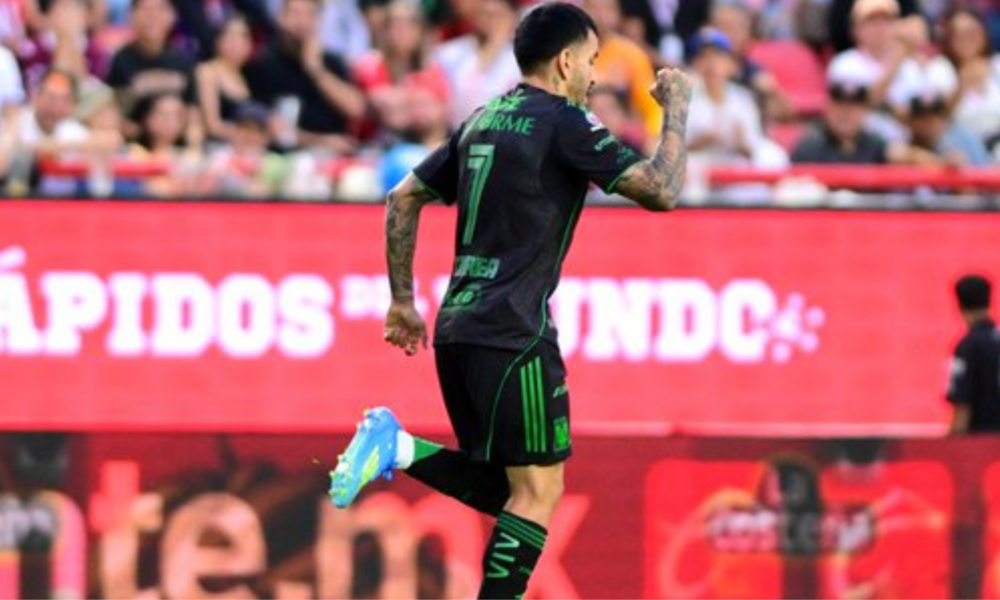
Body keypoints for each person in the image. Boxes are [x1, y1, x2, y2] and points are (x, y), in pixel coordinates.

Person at [327, 3, 692, 598]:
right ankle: (399, 449)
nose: (594, 76)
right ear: (566, 59)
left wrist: (402, 301)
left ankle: (396, 445)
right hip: (514, 332)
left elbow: (402, 197)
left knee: (512, 489)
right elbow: (661, 190)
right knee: (539, 492)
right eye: (592, 61)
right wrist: (674, 108)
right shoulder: (565, 122)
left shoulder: (480, 119)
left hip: (457, 330)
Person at [244, 0, 365, 152]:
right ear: (280, 18)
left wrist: (316, 71)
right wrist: (318, 141)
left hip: (335, 157)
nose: (302, 23)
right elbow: (267, 128)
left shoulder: (332, 62)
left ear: (319, 20)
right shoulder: (263, 65)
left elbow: (356, 110)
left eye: (309, 14)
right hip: (283, 156)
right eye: (295, 14)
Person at [947, 275, 1000, 434]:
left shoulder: (968, 347)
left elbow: (962, 407)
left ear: (960, 304)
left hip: (982, 445)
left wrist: (952, 447)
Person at [195, 14, 253, 142]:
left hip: (243, 148)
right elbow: (212, 125)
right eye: (230, 35)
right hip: (215, 148)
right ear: (218, 41)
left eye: (242, 36)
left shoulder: (245, 76)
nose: (235, 42)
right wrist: (250, 136)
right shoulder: (208, 71)